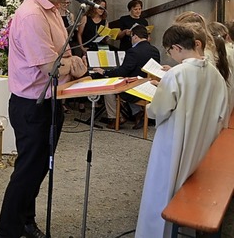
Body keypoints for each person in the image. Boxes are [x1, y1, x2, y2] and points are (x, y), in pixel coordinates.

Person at [0, 0, 87, 238]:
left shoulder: (52, 11)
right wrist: (70, 65)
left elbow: (69, 57)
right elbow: (53, 66)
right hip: (31, 105)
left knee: (38, 170)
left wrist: (70, 64)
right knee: (27, 171)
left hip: (50, 101)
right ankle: (8, 230)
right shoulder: (32, 14)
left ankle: (26, 221)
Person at [135, 24, 228, 237]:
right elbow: (221, 112)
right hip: (201, 148)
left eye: (169, 51)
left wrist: (151, 104)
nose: (170, 56)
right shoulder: (215, 74)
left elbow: (159, 110)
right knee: (184, 188)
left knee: (161, 193)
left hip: (173, 146)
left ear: (176, 48)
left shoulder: (177, 74)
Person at [91, 24, 160, 129]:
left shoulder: (133, 51)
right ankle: (137, 114)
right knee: (126, 83)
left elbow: (122, 71)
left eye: (131, 37)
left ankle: (115, 118)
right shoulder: (155, 50)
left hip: (135, 89)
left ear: (135, 36)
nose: (131, 40)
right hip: (150, 86)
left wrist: (104, 72)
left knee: (109, 89)